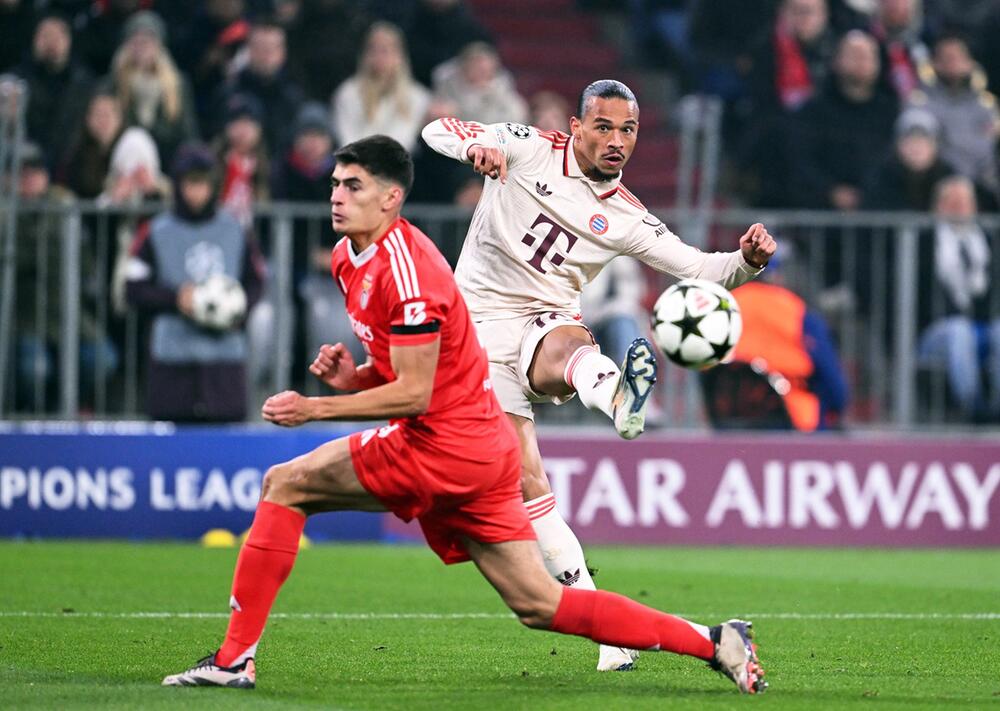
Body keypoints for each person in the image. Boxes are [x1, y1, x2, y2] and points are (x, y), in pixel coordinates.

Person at [161, 135, 768, 694]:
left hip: (443, 444)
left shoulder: (409, 269)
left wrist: (318, 406)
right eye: (335, 185)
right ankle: (716, 642)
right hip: (477, 447)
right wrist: (355, 379)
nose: (337, 198)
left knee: (284, 485)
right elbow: (407, 372)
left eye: (354, 187)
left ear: (391, 197)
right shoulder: (350, 260)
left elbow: (416, 394)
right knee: (540, 605)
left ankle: (234, 659)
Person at [421, 80, 775, 672]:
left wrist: (747, 261)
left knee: (568, 343)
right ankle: (608, 636)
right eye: (604, 127)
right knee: (529, 487)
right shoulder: (527, 146)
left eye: (628, 130)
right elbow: (438, 130)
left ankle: (618, 400)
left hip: (543, 323)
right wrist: (474, 151)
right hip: (473, 331)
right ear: (576, 126)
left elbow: (700, 268)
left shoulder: (627, 215)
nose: (616, 141)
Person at [125, 143, 265, 422]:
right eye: (190, 183)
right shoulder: (156, 231)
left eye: (203, 184)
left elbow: (256, 280)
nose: (196, 192)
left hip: (224, 361)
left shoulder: (235, 229)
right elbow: (133, 287)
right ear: (178, 185)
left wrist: (238, 310)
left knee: (224, 445)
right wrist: (175, 298)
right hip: (172, 362)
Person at [730, 258, 850, 431]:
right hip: (791, 417)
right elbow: (832, 382)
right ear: (777, 276)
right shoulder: (796, 311)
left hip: (730, 418)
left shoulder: (726, 306)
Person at [917, 175, 1000, 421]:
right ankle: (972, 407)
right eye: (951, 201)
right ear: (938, 206)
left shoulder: (989, 240)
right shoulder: (924, 241)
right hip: (937, 329)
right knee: (959, 330)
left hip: (983, 324)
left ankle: (997, 406)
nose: (960, 208)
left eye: (965, 201)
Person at [107, 10, 199, 168]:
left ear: (159, 45)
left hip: (168, 166)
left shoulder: (178, 84)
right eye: (135, 41)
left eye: (147, 41)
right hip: (123, 165)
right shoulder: (112, 84)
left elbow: (187, 133)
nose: (141, 47)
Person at [331, 21, 431, 153]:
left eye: (385, 50)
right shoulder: (347, 93)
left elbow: (404, 140)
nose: (379, 56)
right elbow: (346, 138)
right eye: (373, 49)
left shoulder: (417, 97)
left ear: (399, 55)